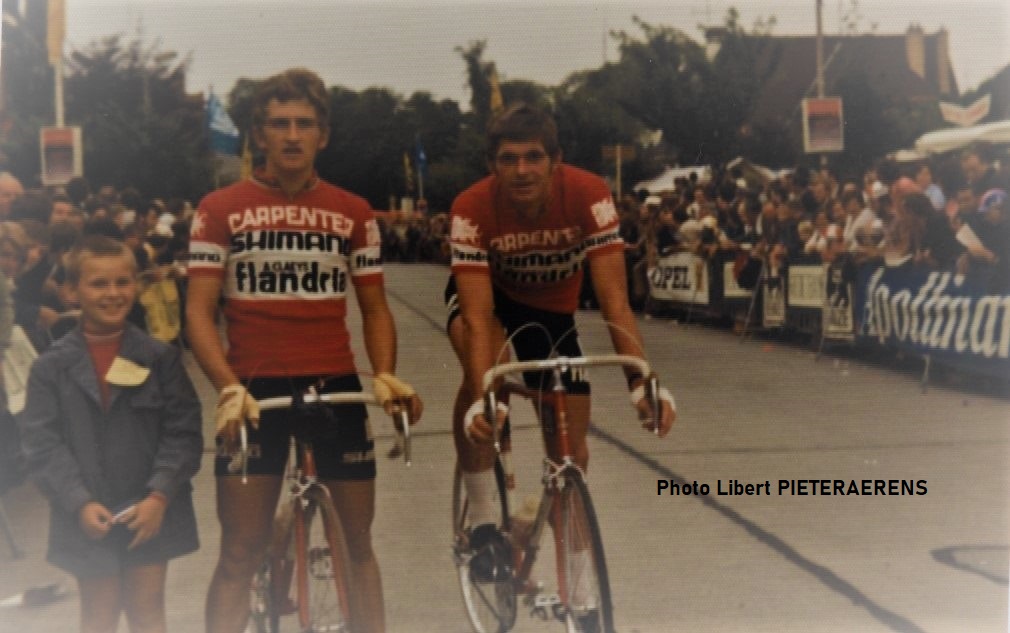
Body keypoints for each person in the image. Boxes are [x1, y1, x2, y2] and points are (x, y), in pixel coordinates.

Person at [186, 68, 422, 633]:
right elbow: (198, 313)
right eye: (279, 124)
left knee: (357, 545)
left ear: (324, 135)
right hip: (253, 391)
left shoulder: (353, 211)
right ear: (258, 135)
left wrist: (385, 375)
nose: (292, 135)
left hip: (335, 384)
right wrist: (227, 386)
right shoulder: (219, 208)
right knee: (239, 552)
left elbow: (374, 309)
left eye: (305, 124)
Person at [445, 104, 675, 613]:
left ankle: (579, 589)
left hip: (551, 316)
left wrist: (642, 382)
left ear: (556, 161)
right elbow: (480, 319)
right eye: (509, 159)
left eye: (534, 157)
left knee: (571, 459)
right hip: (489, 305)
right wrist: (486, 394)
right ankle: (483, 521)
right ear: (492, 165)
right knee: (484, 371)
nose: (522, 170)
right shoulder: (471, 206)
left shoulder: (589, 194)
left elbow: (615, 301)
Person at [18, 235, 203, 633]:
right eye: (98, 284)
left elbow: (183, 433)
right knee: (98, 615)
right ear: (71, 292)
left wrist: (159, 496)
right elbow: (41, 444)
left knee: (147, 609)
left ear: (136, 286)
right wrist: (78, 501)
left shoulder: (160, 358)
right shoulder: (50, 368)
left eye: (123, 282)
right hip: (83, 509)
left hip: (150, 509)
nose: (113, 293)